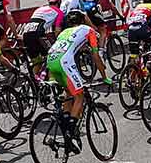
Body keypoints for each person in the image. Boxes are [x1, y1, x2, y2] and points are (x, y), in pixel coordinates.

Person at [45, 10, 107, 153]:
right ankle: (70, 135)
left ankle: (66, 126)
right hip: (64, 62)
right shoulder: (88, 30)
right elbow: (95, 56)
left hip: (51, 61)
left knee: (69, 93)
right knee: (79, 95)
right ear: (83, 21)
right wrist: (104, 76)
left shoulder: (63, 32)